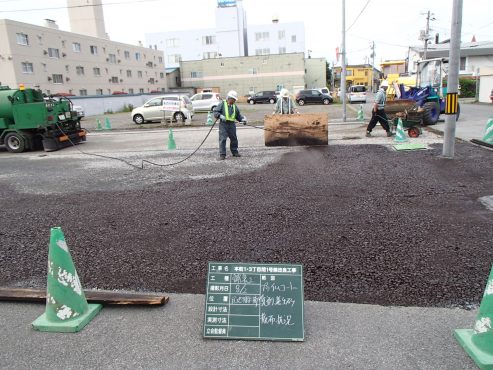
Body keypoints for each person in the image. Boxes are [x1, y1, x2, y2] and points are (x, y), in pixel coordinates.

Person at [213, 90, 247, 160]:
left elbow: (238, 116)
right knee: (223, 139)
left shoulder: (234, 107)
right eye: (233, 99)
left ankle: (235, 152)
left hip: (232, 125)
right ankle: (222, 155)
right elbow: (215, 111)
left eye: (235, 99)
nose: (234, 101)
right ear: (229, 98)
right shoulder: (222, 104)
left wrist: (243, 120)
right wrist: (220, 116)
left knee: (234, 139)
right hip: (223, 124)